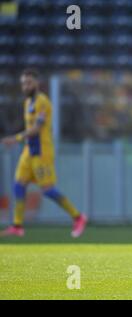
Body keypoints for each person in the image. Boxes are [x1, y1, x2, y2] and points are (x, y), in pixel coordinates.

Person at [0, 69, 87, 238]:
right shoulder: (27, 103)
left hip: (42, 152)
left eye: (29, 82)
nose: (25, 86)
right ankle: (17, 226)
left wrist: (16, 138)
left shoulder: (43, 102)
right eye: (23, 83)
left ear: (36, 83)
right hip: (29, 151)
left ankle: (78, 217)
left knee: (47, 190)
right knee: (18, 184)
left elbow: (36, 129)